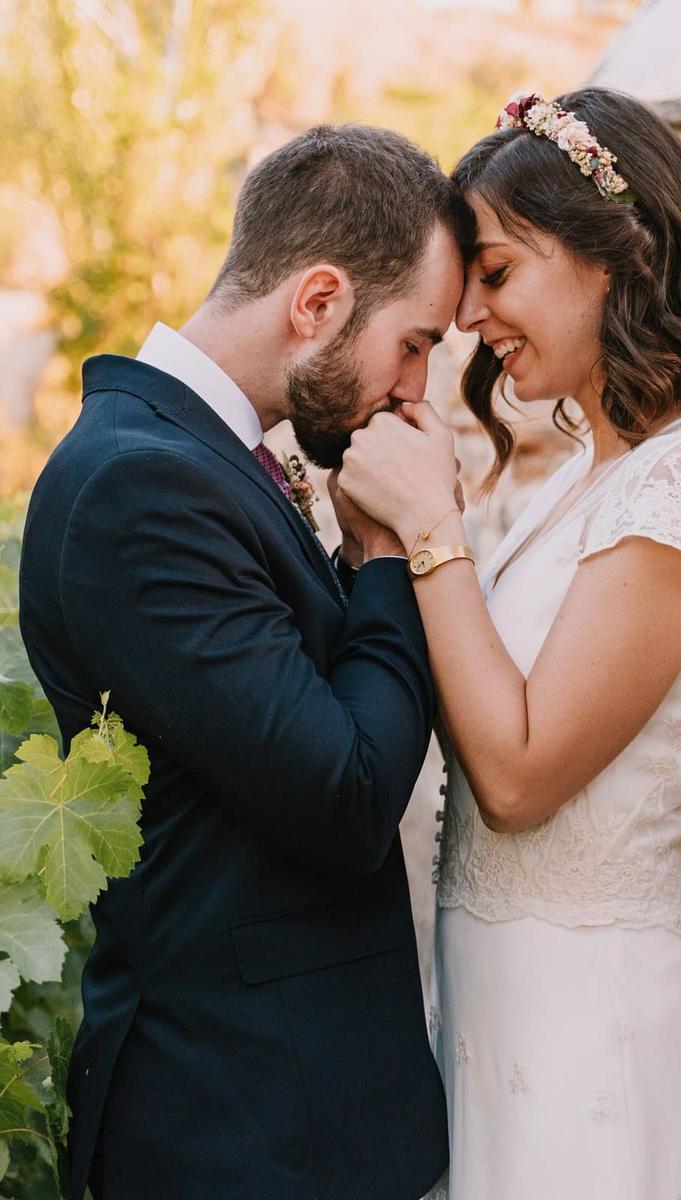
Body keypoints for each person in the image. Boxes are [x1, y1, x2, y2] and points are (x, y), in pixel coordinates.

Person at [338, 87, 681, 1199]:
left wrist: (434, 524)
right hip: (504, 1023)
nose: (470, 320)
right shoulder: (585, 486)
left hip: (603, 1046)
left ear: (613, 252)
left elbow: (521, 775)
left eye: (496, 273)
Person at [19, 123, 469, 1200]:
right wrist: (386, 550)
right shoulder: (142, 488)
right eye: (412, 342)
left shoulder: (203, 461)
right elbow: (347, 788)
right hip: (237, 1132)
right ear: (315, 303)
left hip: (285, 1119)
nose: (414, 391)